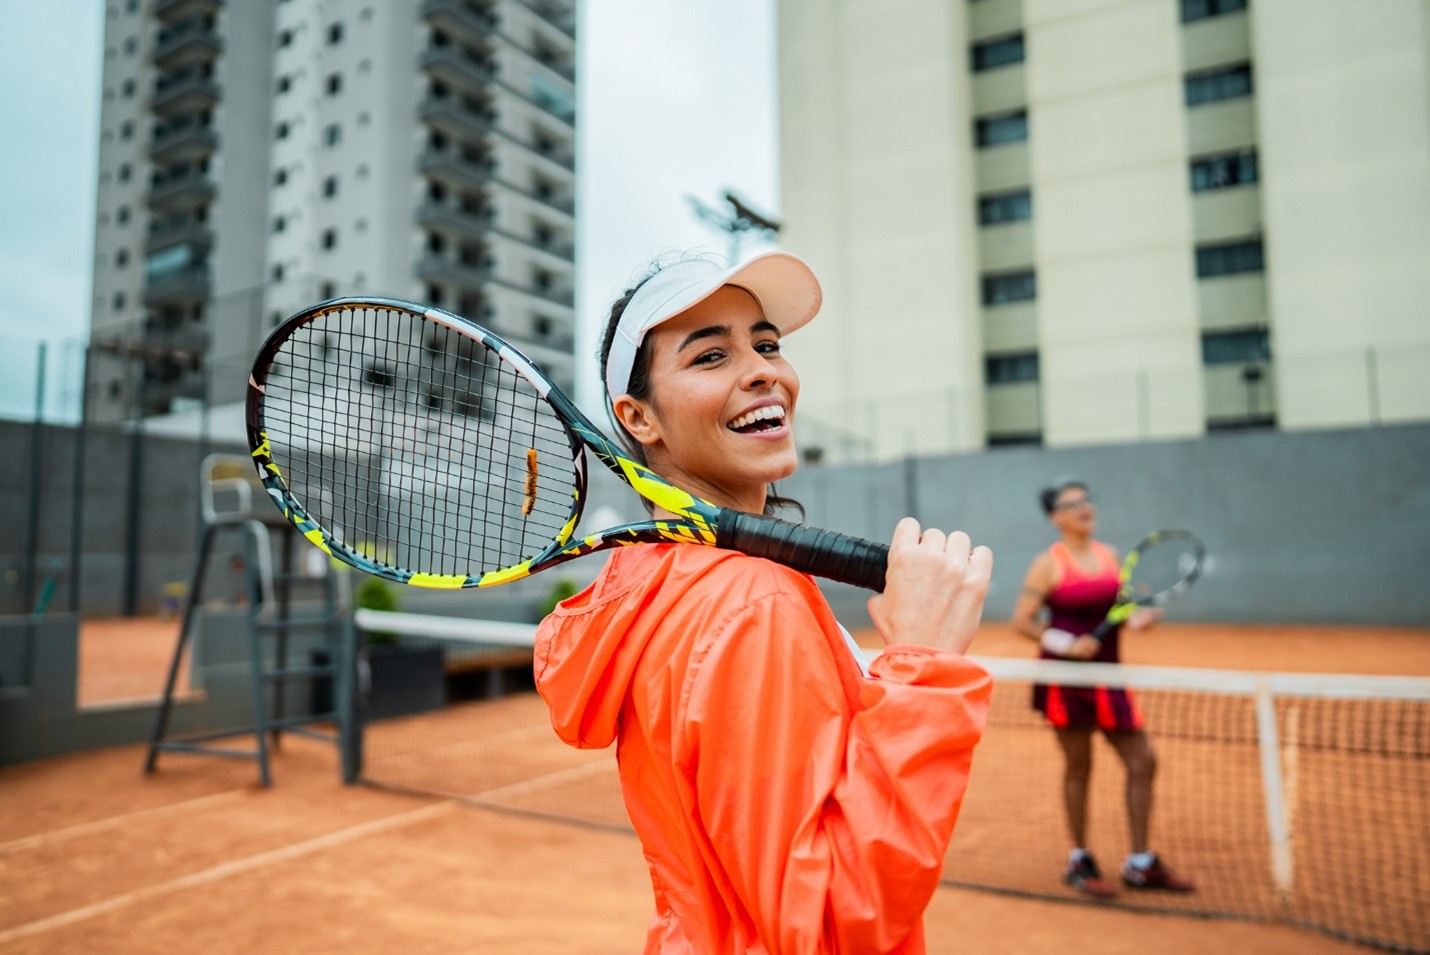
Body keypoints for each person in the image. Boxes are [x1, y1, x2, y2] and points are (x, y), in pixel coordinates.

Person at [533, 252, 994, 953]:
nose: (763, 370)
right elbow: (834, 917)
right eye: (710, 355)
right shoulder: (750, 600)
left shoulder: (661, 576)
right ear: (639, 418)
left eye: (768, 344)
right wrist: (924, 665)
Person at [1010, 478, 1194, 898]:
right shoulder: (1047, 563)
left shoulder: (1110, 555)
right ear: (1055, 518)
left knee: (1142, 760)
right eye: (1071, 504)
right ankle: (1080, 858)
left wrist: (1137, 620)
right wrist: (1066, 644)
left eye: (1086, 500)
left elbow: (1121, 609)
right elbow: (1022, 621)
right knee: (1079, 768)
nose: (1083, 508)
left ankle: (1141, 863)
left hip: (1108, 678)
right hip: (1066, 681)